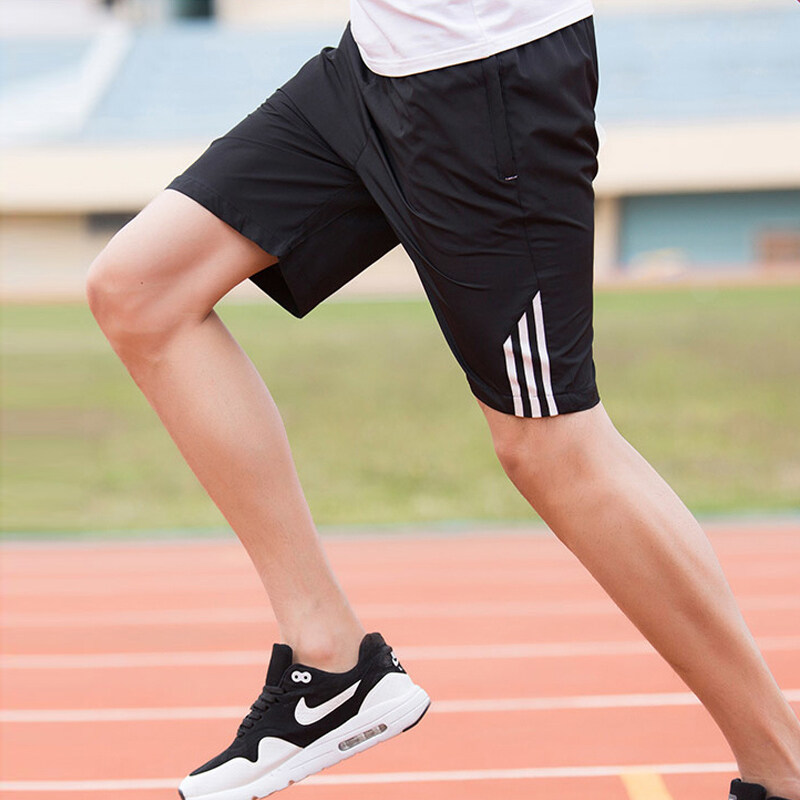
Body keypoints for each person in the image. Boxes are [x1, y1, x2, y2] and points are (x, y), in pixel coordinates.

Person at [85, 1, 800, 799]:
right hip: (380, 64)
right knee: (141, 291)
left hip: (486, 79)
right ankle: (332, 664)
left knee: (552, 445)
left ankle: (785, 770)